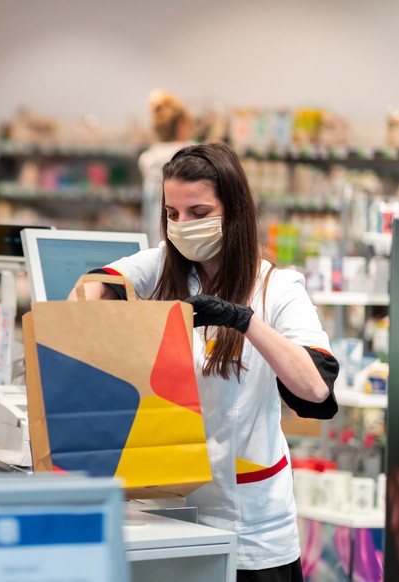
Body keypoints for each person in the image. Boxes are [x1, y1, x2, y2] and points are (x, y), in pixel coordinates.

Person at [71, 142, 339, 582]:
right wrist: (96, 311)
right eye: (172, 214)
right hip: (169, 513)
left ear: (233, 211)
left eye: (198, 212)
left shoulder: (278, 287)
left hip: (249, 522)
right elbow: (86, 291)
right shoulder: (163, 266)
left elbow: (315, 390)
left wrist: (244, 321)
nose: (182, 226)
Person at [138, 89, 195, 247]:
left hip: (153, 239)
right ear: (182, 126)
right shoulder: (191, 154)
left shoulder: (147, 159)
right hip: (182, 241)